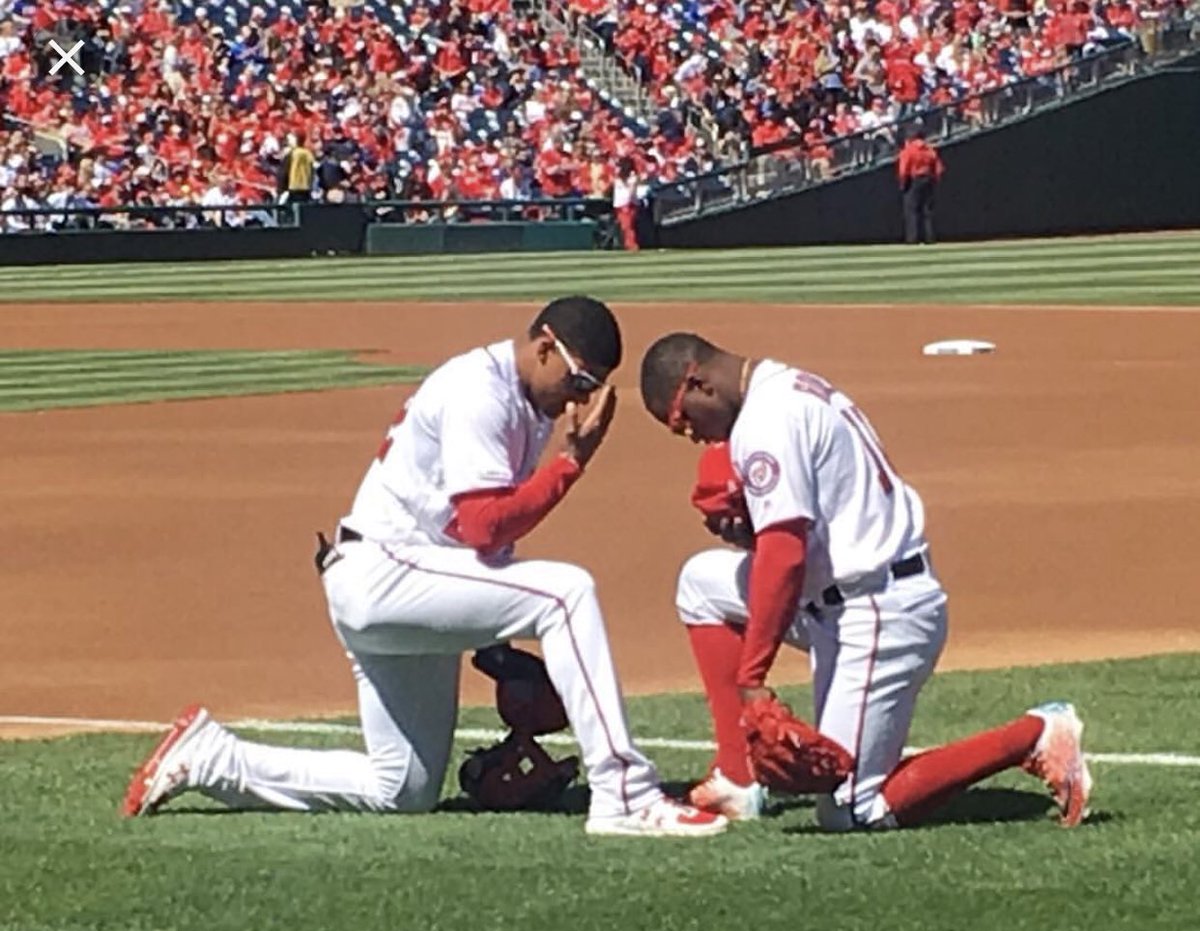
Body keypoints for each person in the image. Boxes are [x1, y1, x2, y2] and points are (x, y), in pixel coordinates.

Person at [123, 298, 727, 839]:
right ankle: (624, 793)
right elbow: (483, 526)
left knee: (402, 788)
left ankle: (212, 759)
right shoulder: (478, 390)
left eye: (591, 388)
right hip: (383, 573)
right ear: (544, 346)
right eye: (577, 380)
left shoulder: (527, 404)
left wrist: (498, 654)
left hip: (410, 583)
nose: (578, 398)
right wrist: (570, 463)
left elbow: (484, 551)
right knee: (567, 592)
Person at [637, 332, 1093, 831]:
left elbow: (785, 555)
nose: (693, 437)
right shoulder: (785, 385)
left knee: (851, 810)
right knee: (701, 584)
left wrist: (752, 679)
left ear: (699, 381)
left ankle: (1035, 733)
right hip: (839, 600)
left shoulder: (766, 420)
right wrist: (749, 535)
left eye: (683, 421)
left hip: (881, 612)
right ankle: (737, 778)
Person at [896, 128, 944, 244]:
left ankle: (913, 238)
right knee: (927, 210)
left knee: (911, 210)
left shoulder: (908, 150)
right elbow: (939, 168)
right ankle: (930, 238)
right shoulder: (930, 150)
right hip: (928, 179)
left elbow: (903, 170)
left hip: (914, 180)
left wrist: (903, 184)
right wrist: (935, 180)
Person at [277, 131, 316, 206]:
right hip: (306, 188)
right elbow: (313, 170)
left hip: (292, 189)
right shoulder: (308, 153)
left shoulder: (292, 154)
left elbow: (284, 173)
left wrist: (281, 189)